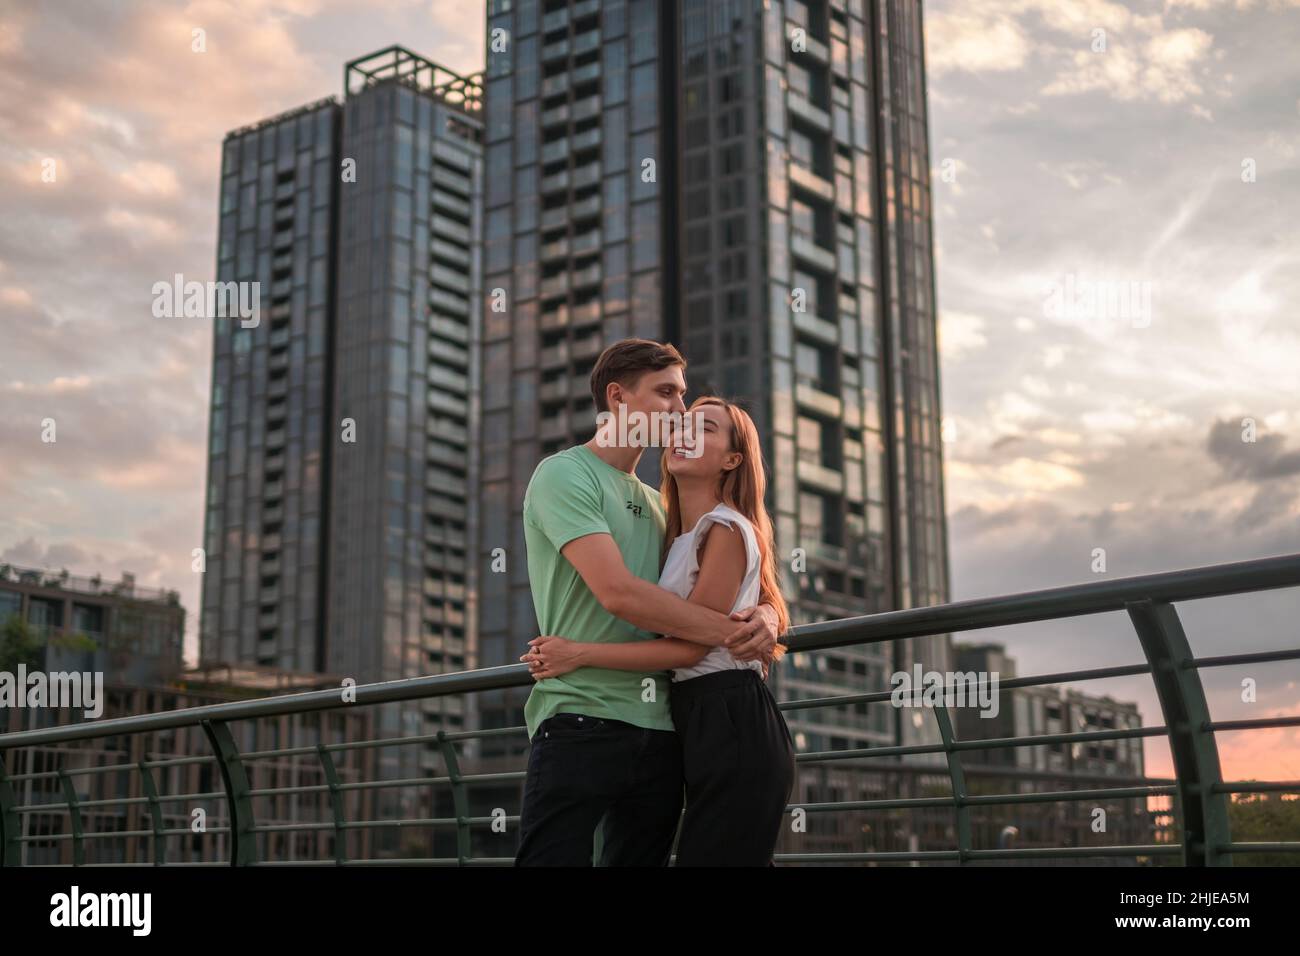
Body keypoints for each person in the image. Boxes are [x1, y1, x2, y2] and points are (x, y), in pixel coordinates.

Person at [513, 339, 783, 867]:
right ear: (618, 397)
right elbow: (618, 593)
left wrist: (769, 616)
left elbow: (745, 579)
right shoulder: (564, 474)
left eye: (683, 396)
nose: (681, 411)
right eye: (667, 394)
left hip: (664, 732)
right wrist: (734, 633)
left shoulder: (665, 507)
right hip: (580, 718)